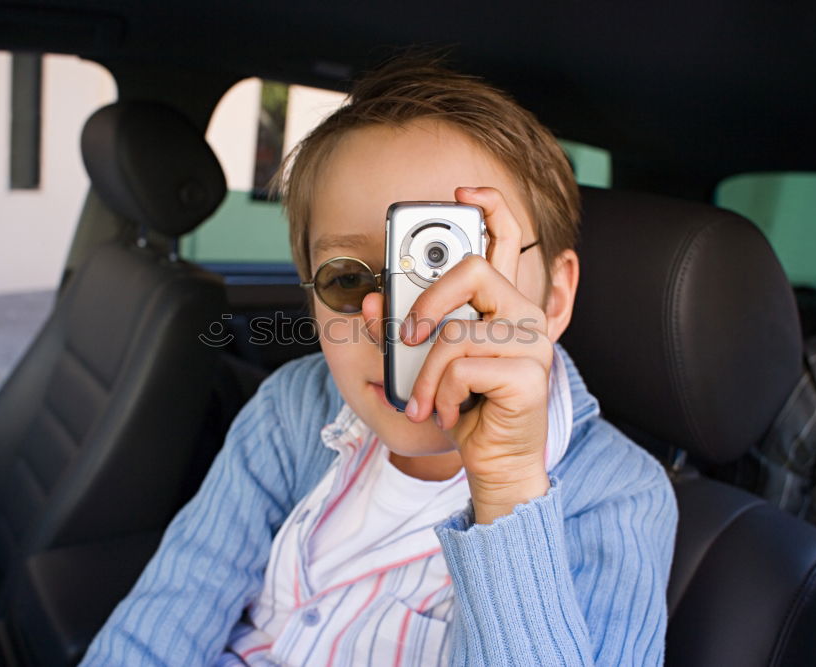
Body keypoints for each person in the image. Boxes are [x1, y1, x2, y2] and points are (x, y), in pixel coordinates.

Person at [81, 57, 678, 666]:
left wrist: (507, 489)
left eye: (450, 271)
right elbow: (170, 608)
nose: (393, 321)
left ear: (552, 298)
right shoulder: (292, 408)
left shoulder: (619, 496)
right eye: (345, 279)